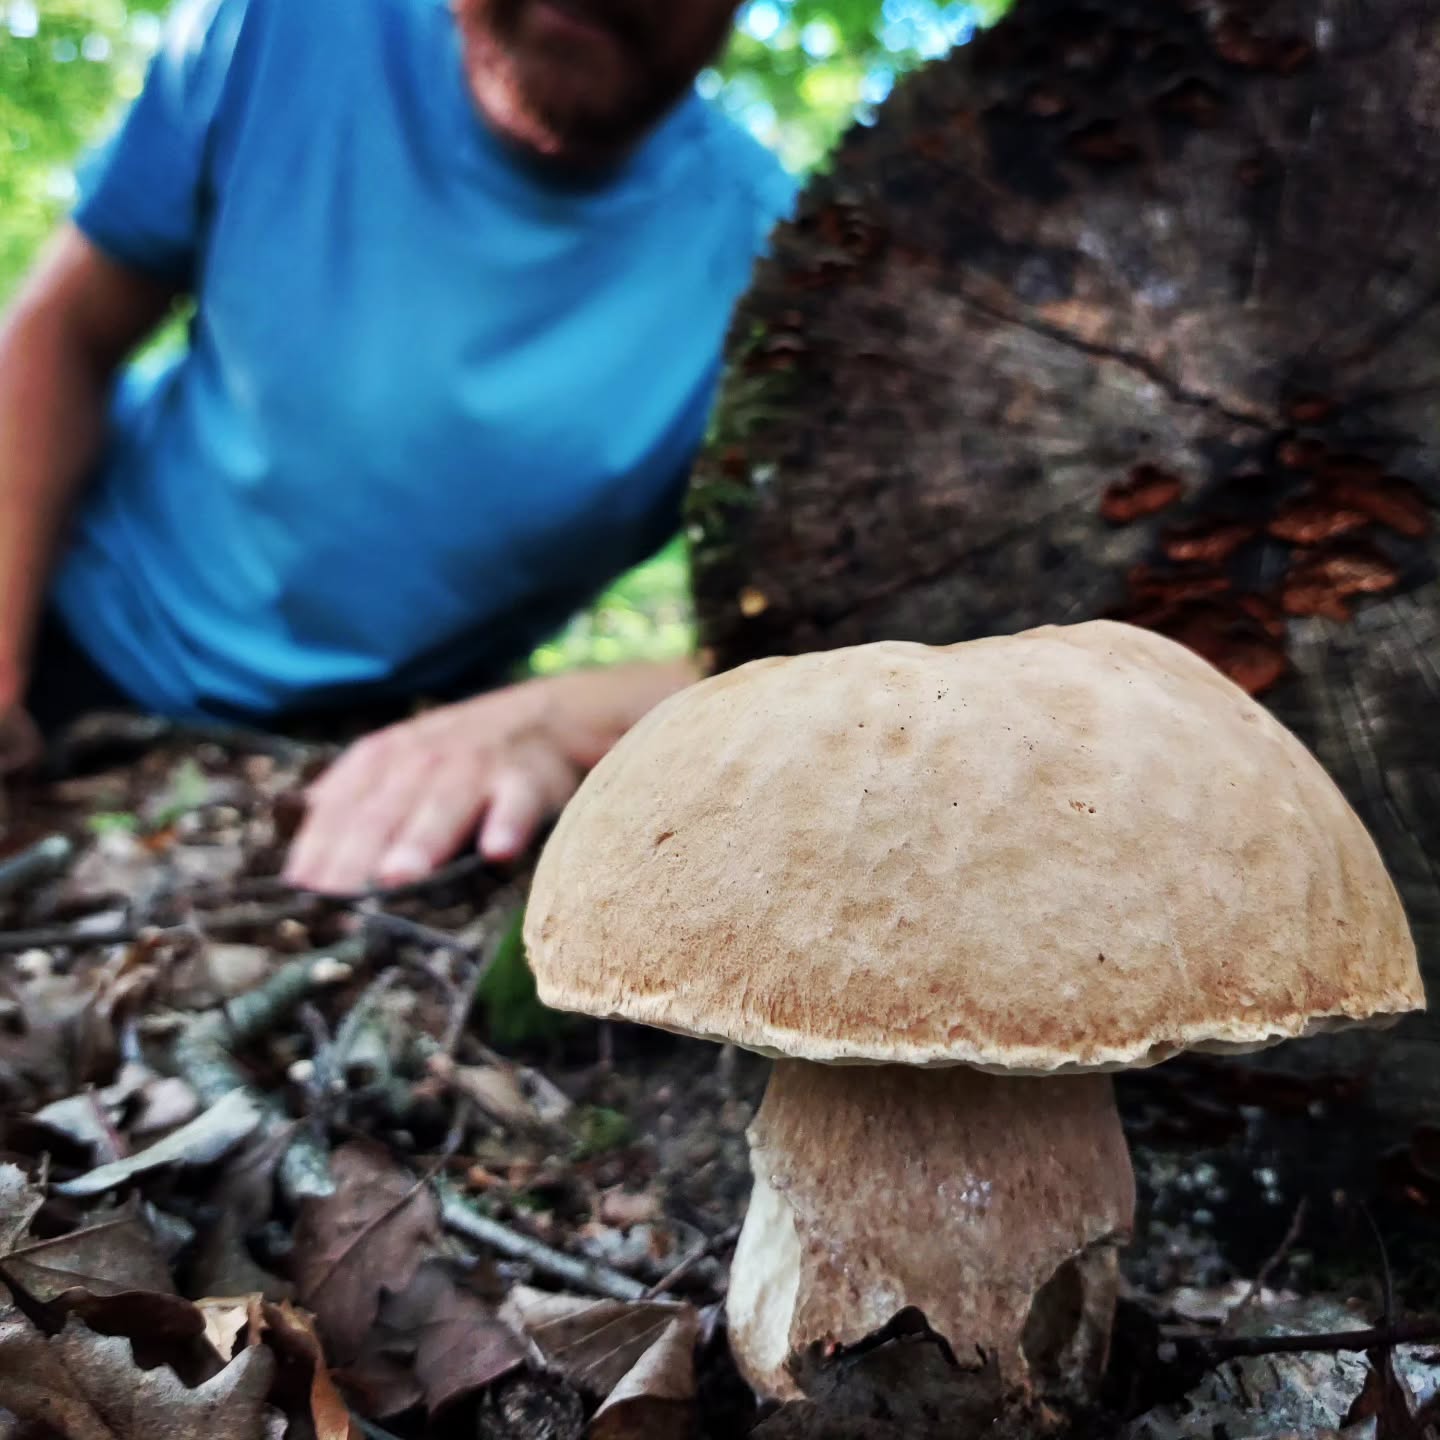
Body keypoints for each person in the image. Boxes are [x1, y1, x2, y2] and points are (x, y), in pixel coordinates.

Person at [0, 0, 796, 893]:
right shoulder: (287, 26)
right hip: (72, 619)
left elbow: (831, 644)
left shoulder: (781, 278)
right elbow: (64, 329)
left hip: (371, 759)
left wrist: (558, 718)